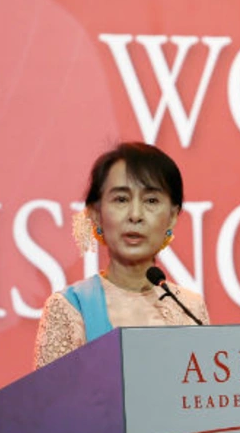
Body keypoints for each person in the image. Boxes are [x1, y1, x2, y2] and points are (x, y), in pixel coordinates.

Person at [34, 142, 209, 369]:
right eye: (121, 199)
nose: (135, 215)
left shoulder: (190, 308)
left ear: (173, 216)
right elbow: (50, 401)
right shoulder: (70, 307)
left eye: (151, 201)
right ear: (96, 214)